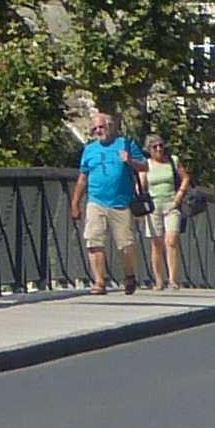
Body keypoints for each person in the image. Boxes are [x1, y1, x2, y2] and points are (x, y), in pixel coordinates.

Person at [76, 106, 148, 294]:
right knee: (93, 239)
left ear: (110, 126)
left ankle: (130, 275)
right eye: (95, 129)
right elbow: (83, 177)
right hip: (96, 200)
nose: (98, 131)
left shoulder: (125, 144)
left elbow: (144, 167)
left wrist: (130, 161)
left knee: (125, 244)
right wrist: (75, 203)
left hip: (121, 203)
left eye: (101, 127)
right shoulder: (89, 150)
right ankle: (99, 282)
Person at [139, 130, 184, 288]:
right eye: (155, 147)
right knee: (157, 243)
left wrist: (179, 196)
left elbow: (185, 178)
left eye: (161, 146)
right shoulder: (146, 165)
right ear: (149, 150)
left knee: (171, 240)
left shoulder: (173, 161)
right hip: (153, 206)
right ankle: (159, 279)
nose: (159, 149)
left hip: (171, 204)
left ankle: (173, 279)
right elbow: (141, 186)